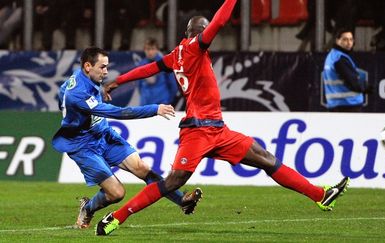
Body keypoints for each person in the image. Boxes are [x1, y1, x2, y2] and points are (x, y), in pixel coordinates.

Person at [96, 0, 350, 236]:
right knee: (174, 181)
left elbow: (149, 68)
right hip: (197, 131)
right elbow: (218, 22)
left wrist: (118, 80)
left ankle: (319, 195)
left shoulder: (177, 54)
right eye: (204, 32)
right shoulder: (195, 47)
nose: (209, 36)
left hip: (218, 130)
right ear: (195, 33)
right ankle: (117, 217)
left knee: (267, 159)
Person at [51, 47, 202, 229]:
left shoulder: (83, 78)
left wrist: (94, 98)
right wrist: (154, 109)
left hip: (104, 135)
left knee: (142, 168)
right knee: (117, 193)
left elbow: (62, 94)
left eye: (107, 67)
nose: (106, 72)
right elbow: (118, 112)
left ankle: (182, 200)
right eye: (103, 67)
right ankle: (87, 208)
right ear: (88, 66)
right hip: (83, 145)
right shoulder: (77, 94)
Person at [323, 28, 372, 112]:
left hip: (335, 104)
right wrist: (366, 87)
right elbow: (352, 82)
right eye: (345, 39)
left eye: (351, 39)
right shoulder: (340, 59)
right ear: (337, 40)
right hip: (348, 105)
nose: (349, 43)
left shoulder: (331, 56)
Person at [136, 38, 177, 105]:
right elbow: (139, 85)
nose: (150, 52)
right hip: (146, 103)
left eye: (152, 49)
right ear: (144, 50)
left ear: (157, 50)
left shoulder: (165, 63)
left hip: (162, 102)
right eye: (148, 49)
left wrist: (169, 100)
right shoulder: (141, 64)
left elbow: (173, 84)